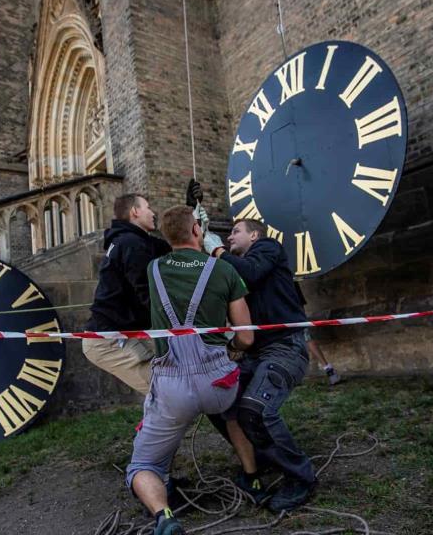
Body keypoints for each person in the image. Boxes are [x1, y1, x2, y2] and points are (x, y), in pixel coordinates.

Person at [125, 205, 255, 535]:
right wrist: (232, 350)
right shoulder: (224, 271)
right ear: (198, 231)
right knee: (232, 412)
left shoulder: (153, 270)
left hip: (171, 388)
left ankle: (164, 516)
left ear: (167, 236)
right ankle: (252, 476)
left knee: (143, 465)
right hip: (218, 381)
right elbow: (247, 337)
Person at [204, 218, 317, 512]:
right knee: (217, 401)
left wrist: (216, 252)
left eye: (235, 232)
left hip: (285, 347)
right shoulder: (234, 269)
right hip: (256, 352)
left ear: (254, 235)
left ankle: (300, 477)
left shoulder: (268, 248)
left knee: (256, 408)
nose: (229, 238)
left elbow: (252, 274)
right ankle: (261, 456)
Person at [82, 193, 171, 394]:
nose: (153, 213)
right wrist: (177, 323)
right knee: (166, 392)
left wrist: (192, 216)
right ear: (135, 212)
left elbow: (170, 246)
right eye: (147, 207)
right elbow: (146, 290)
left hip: (124, 332)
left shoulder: (133, 240)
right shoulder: (131, 243)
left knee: (170, 389)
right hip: (109, 340)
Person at [294, 282, 341, 385]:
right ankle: (329, 371)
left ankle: (329, 370)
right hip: (283, 302)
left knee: (305, 336)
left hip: (291, 301)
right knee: (302, 337)